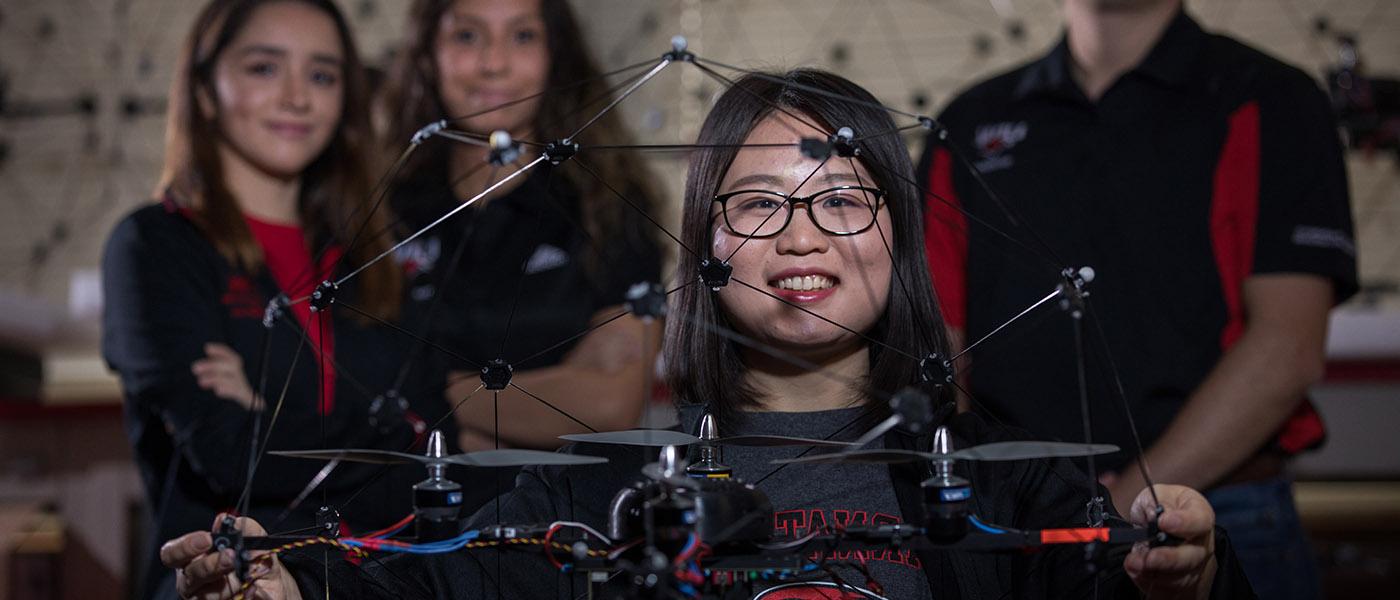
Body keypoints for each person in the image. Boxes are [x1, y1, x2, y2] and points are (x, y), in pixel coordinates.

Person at [157, 69, 1255, 600]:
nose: (798, 234)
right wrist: (294, 586)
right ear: (705, 249)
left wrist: (1191, 572)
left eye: (840, 198)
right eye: (755, 203)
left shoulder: (1012, 489)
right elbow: (436, 581)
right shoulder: (593, 495)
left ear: (900, 237)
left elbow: (1141, 578)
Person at [918, 1, 1357, 597]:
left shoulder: (1269, 99)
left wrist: (1110, 510)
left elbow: (1288, 347)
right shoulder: (969, 123)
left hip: (1223, 514)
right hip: (1015, 529)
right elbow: (940, 348)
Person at [101, 1, 449, 597]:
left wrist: (267, 413)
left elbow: (431, 454)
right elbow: (229, 455)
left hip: (376, 582)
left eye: (322, 75)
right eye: (265, 68)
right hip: (223, 582)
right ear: (206, 91)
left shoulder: (373, 254)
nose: (297, 97)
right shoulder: (155, 246)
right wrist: (380, 432)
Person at [377, 0, 665, 473]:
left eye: (523, 37)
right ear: (427, 54)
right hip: (396, 511)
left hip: (558, 518)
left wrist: (430, 396)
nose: (493, 63)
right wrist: (528, 403)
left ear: (557, 55)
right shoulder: (388, 204)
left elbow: (609, 404)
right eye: (467, 36)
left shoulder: (608, 206)